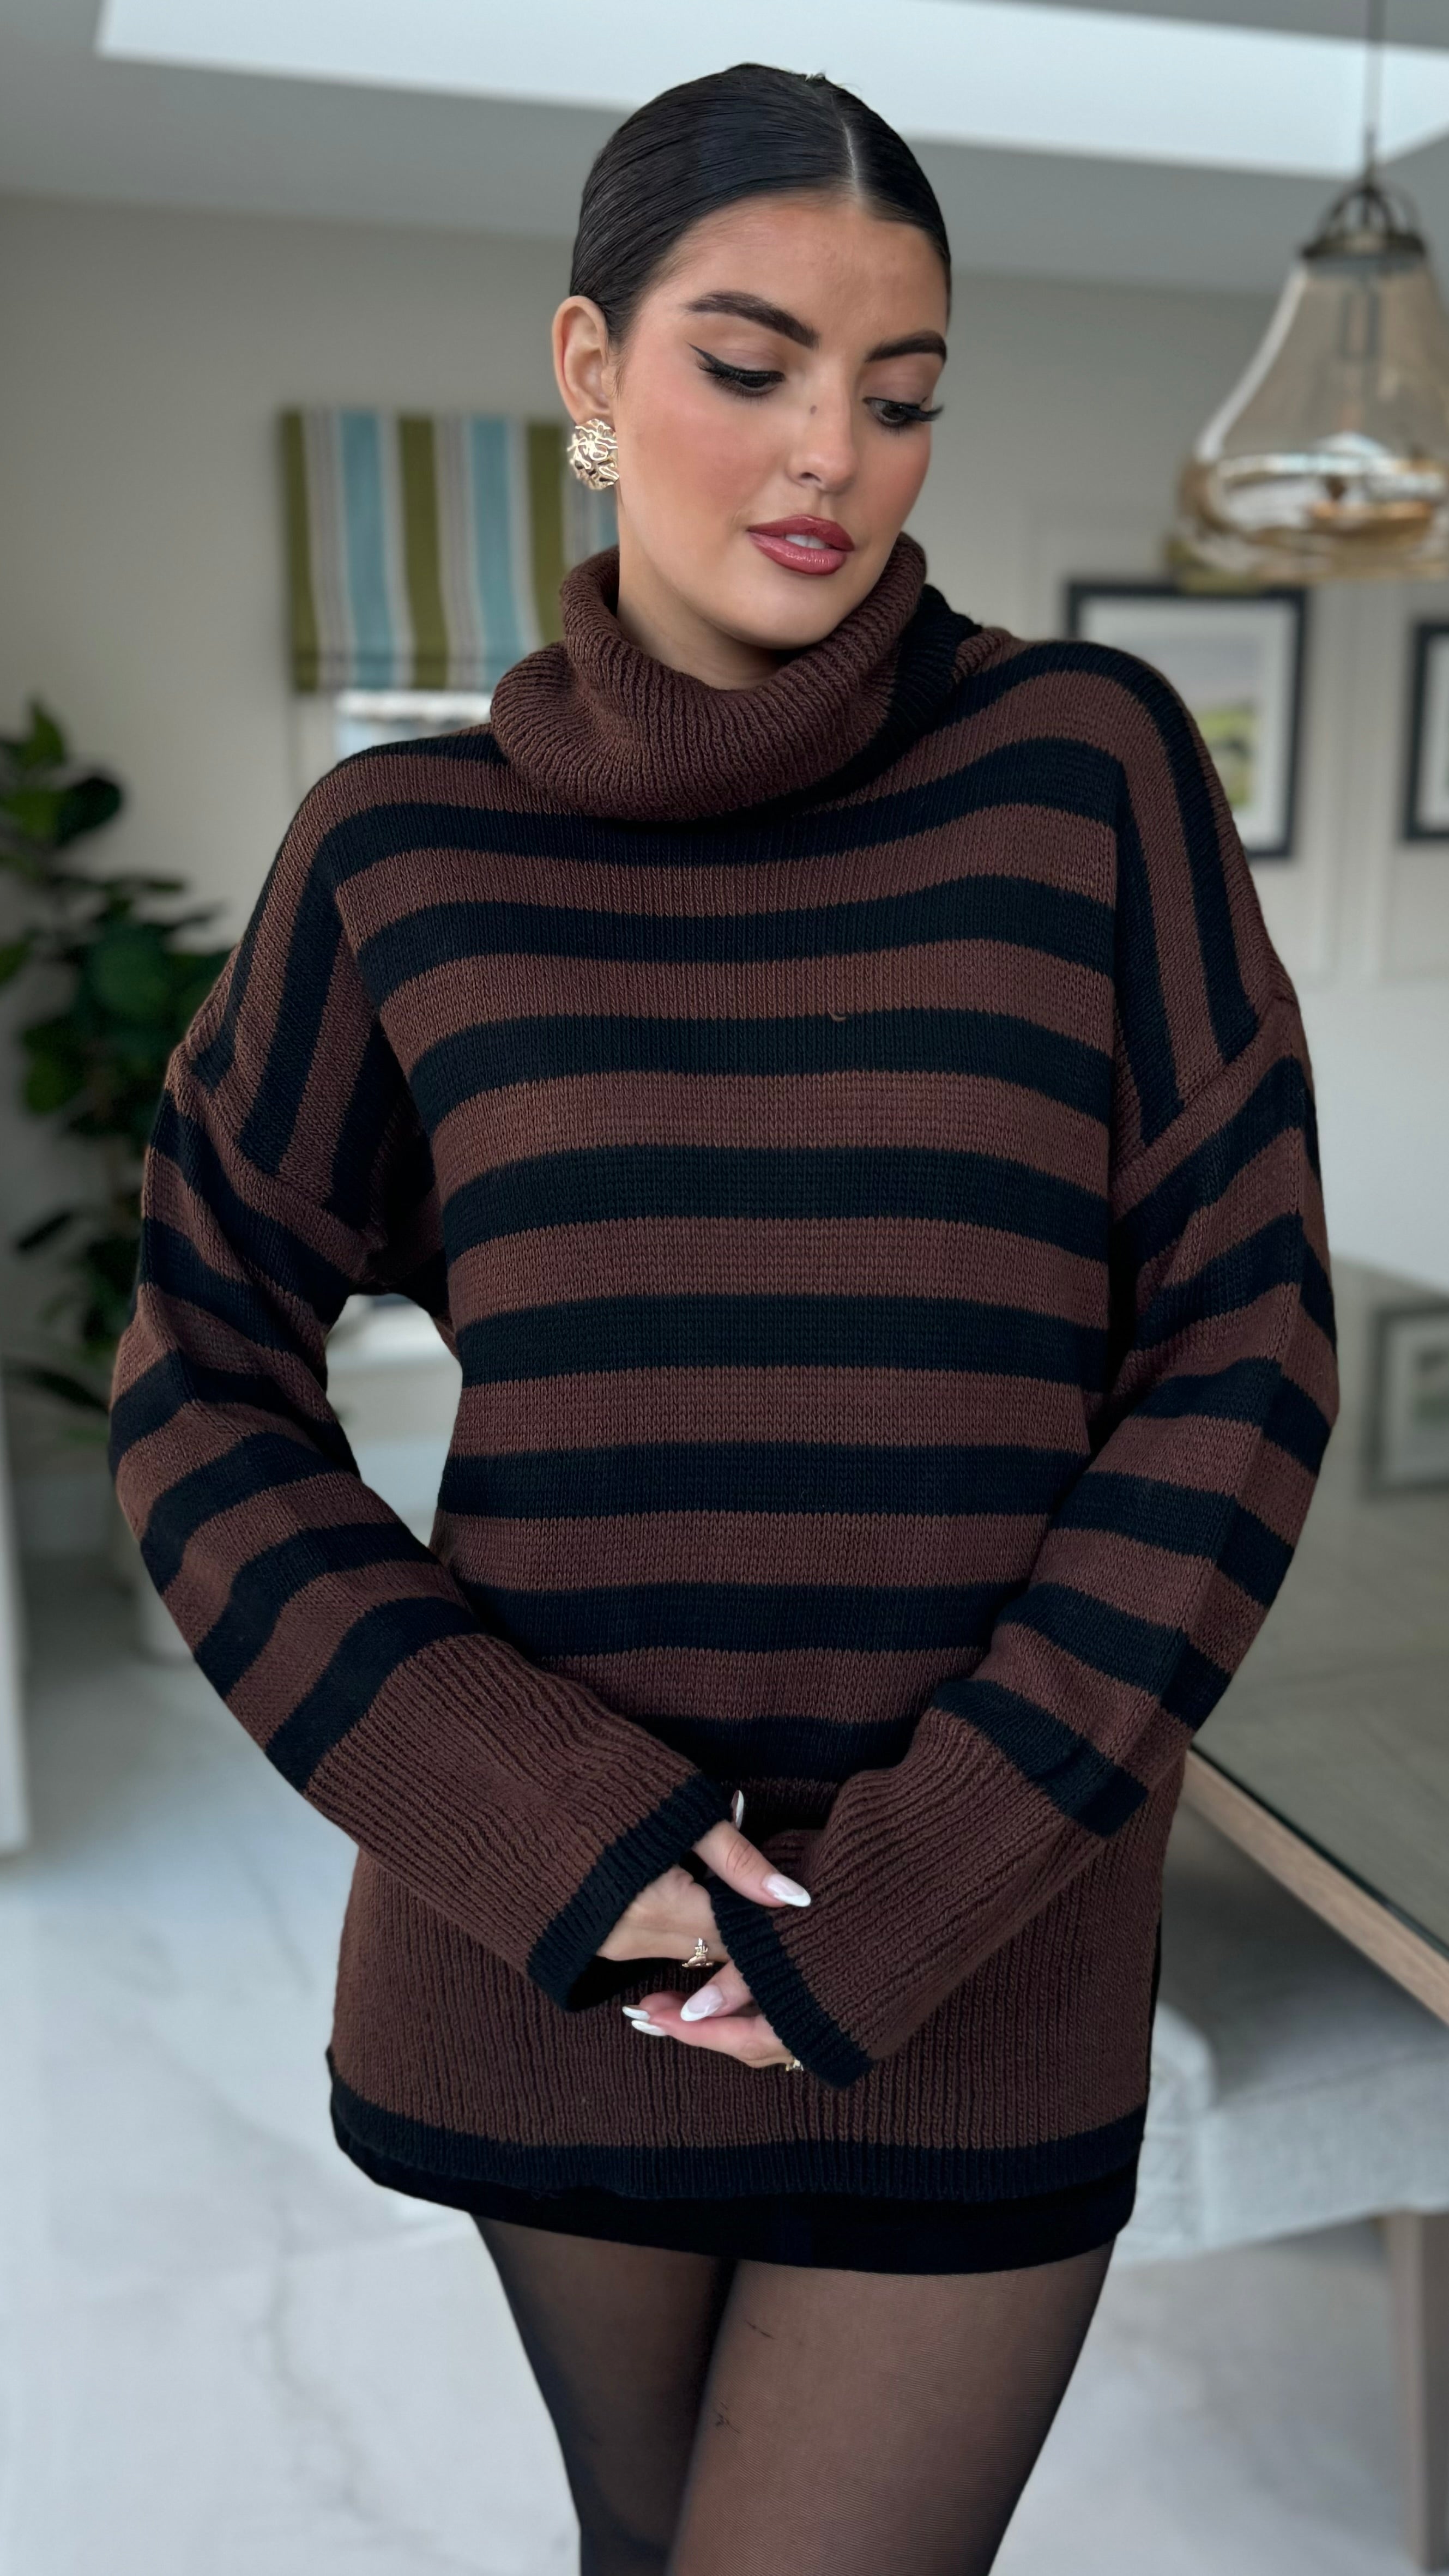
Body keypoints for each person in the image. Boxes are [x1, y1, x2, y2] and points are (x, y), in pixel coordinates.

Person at [108, 61, 1338, 2576]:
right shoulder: (397, 856)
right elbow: (196, 1380)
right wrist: (558, 1836)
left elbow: (1237, 1355)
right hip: (554, 1949)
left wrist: (911, 1882)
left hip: (976, 1952)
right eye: (749, 366)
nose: (827, 458)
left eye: (899, 394)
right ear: (587, 369)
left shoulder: (1079, 771)